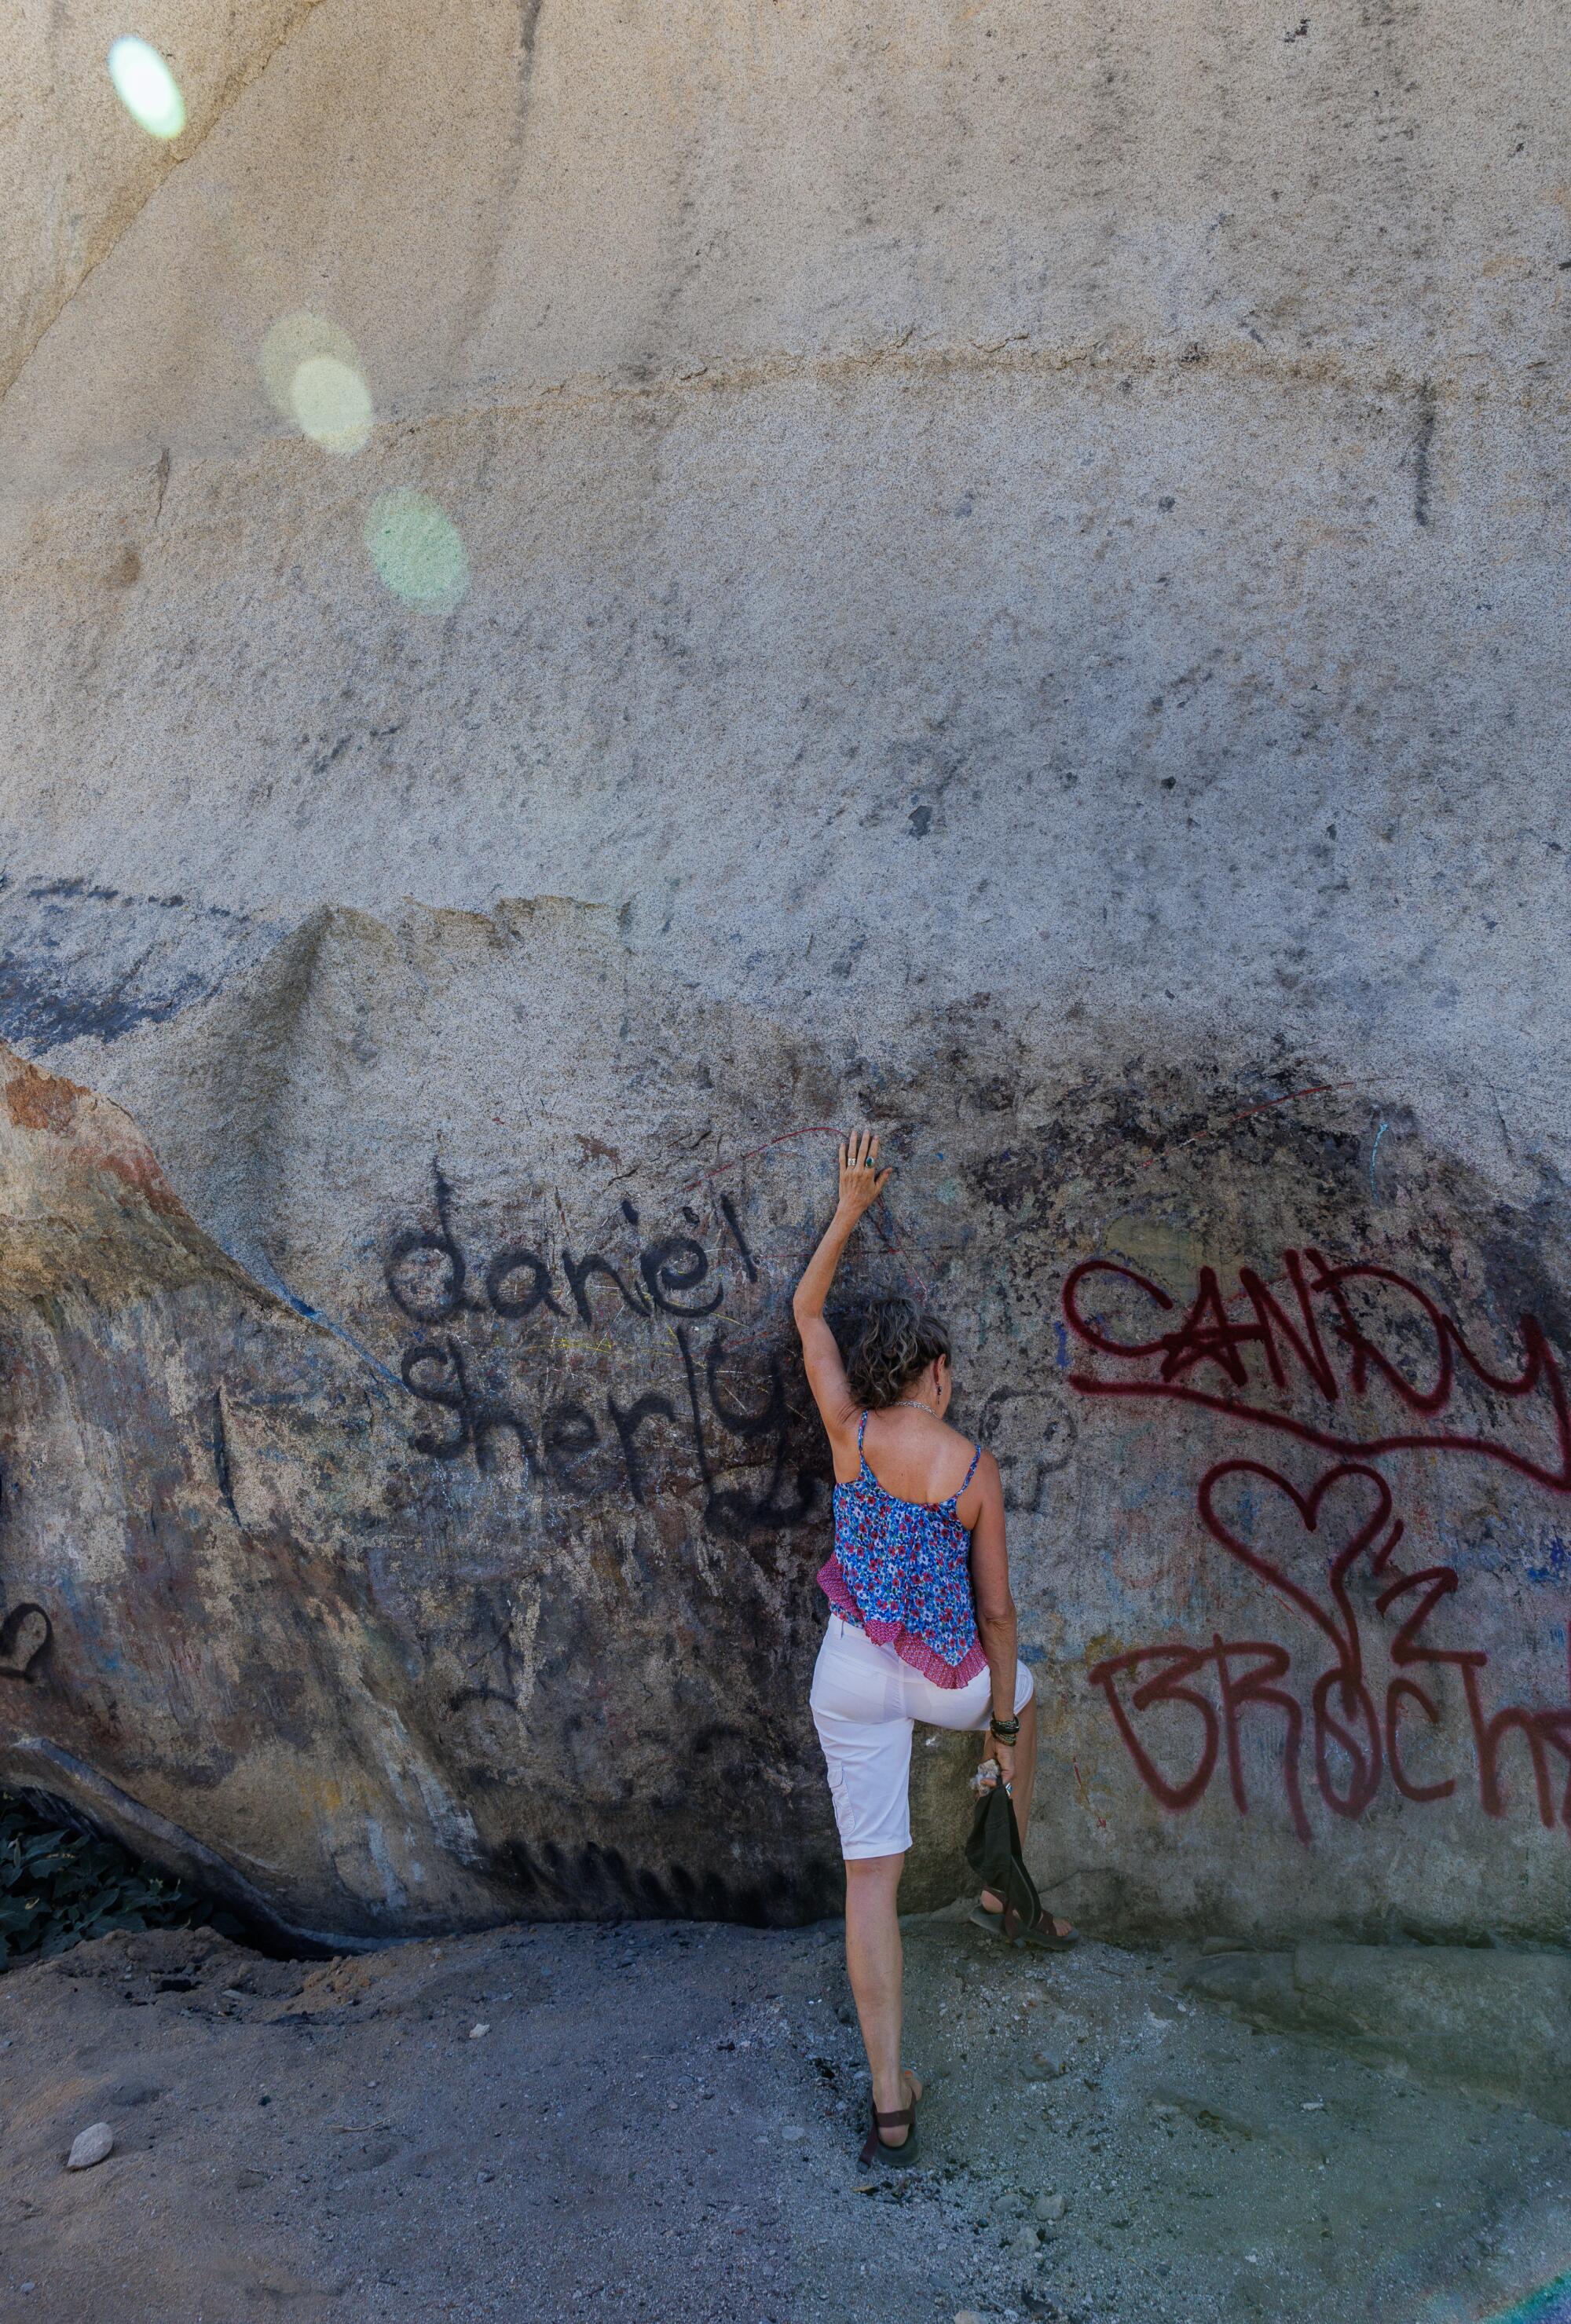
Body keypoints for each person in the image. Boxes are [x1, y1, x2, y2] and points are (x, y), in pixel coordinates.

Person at [793, 1129, 1075, 2168]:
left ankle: (889, 2104)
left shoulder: (849, 1431)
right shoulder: (972, 1471)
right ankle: (1005, 1878)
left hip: (852, 1674)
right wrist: (999, 1729)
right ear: (941, 1376)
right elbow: (998, 1619)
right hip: (948, 1682)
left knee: (873, 1881)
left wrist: (850, 1205)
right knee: (1031, 1695)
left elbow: (806, 1312)